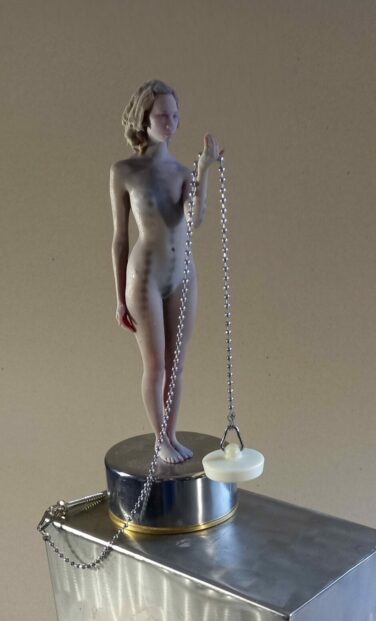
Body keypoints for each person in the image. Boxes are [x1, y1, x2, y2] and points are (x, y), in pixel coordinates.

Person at [110, 79, 222, 463]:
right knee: (155, 365)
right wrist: (118, 298)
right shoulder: (125, 171)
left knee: (177, 364)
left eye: (174, 116)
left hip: (183, 275)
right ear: (145, 119)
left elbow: (194, 220)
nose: (170, 123)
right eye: (162, 116)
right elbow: (120, 238)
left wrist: (203, 169)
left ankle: (171, 435)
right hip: (145, 275)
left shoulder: (182, 172)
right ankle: (160, 439)